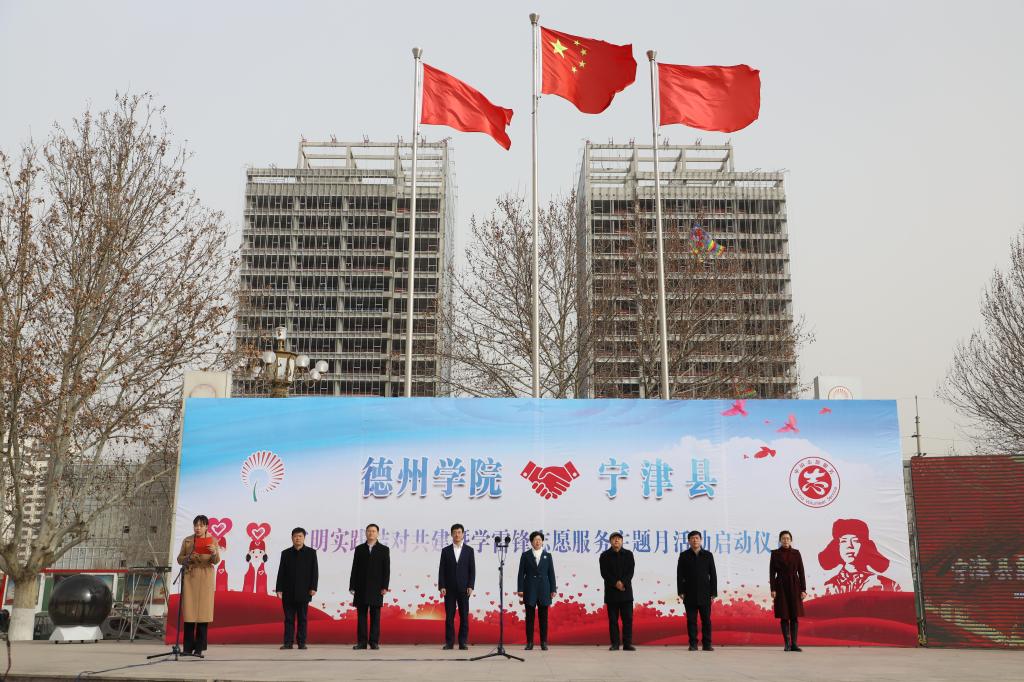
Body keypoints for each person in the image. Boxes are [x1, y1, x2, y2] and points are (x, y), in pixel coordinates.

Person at [176, 514, 220, 657]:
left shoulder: (213, 540)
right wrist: (189, 557)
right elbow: (179, 559)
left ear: (206, 527)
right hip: (191, 576)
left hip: (206, 577)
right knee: (189, 613)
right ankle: (187, 648)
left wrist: (214, 552)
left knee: (203, 614)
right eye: (196, 525)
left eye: (201, 525)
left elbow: (216, 560)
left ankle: (199, 648)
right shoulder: (187, 540)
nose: (198, 528)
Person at [819, 518, 901, 594]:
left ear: (863, 545)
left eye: (855, 541)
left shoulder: (886, 585)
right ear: (838, 546)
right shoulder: (827, 588)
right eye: (844, 541)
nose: (850, 546)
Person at [275, 527, 319, 650]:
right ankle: (288, 643)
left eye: (300, 536)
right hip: (288, 591)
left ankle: (301, 642)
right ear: (292, 538)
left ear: (304, 538)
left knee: (302, 619)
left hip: (304, 591)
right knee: (288, 619)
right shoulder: (286, 553)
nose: (297, 538)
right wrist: (279, 589)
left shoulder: (311, 553)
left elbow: (314, 571)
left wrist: (313, 587)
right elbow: (281, 572)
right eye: (295, 536)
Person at [349, 523, 391, 650]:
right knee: (361, 616)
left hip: (376, 588)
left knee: (375, 616)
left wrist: (385, 586)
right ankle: (362, 642)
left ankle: (374, 642)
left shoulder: (384, 549)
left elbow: (386, 570)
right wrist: (352, 586)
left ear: (377, 533)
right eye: (369, 531)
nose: (371, 533)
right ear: (366, 533)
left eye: (373, 531)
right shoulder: (359, 549)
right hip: (361, 587)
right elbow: (355, 568)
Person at [516, 531, 557, 651]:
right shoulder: (526, 555)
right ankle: (529, 642)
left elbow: (551, 573)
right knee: (529, 618)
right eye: (535, 540)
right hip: (530, 589)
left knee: (543, 618)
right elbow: (520, 573)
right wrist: (520, 589)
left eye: (539, 539)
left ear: (542, 541)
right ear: (531, 542)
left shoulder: (547, 556)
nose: (537, 542)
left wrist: (553, 589)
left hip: (544, 589)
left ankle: (544, 642)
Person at [677, 530, 717, 651]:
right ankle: (693, 644)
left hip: (705, 593)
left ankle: (707, 644)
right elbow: (679, 575)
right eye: (692, 538)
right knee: (691, 620)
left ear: (700, 540)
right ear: (689, 541)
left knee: (706, 620)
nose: (695, 540)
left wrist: (713, 592)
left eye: (697, 538)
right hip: (689, 593)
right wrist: (681, 591)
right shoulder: (684, 556)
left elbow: (713, 575)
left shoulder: (708, 555)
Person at [438, 523, 475, 650]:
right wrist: (442, 586)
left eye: (459, 532)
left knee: (464, 616)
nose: (457, 535)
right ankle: (449, 642)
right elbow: (442, 570)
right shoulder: (446, 551)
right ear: (451, 534)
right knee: (449, 616)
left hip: (464, 588)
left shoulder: (469, 550)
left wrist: (471, 585)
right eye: (454, 532)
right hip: (449, 588)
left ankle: (462, 642)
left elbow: (472, 570)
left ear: (463, 534)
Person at [769, 530, 807, 651]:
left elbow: (801, 572)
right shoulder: (775, 554)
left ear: (791, 540)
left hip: (794, 585)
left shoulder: (796, 553)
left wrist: (803, 589)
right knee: (784, 615)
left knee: (794, 616)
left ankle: (794, 644)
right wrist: (773, 589)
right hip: (780, 586)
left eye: (788, 538)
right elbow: (772, 573)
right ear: (780, 540)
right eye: (783, 538)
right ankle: (787, 644)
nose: (786, 540)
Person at [599, 532, 635, 651]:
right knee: (613, 621)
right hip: (611, 593)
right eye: (614, 539)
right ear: (610, 541)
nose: (616, 540)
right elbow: (604, 573)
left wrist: (622, 582)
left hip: (626, 592)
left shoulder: (628, 554)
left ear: (622, 541)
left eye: (619, 539)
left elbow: (630, 572)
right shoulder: (604, 556)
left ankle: (627, 644)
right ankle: (615, 644)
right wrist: (615, 583)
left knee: (627, 620)